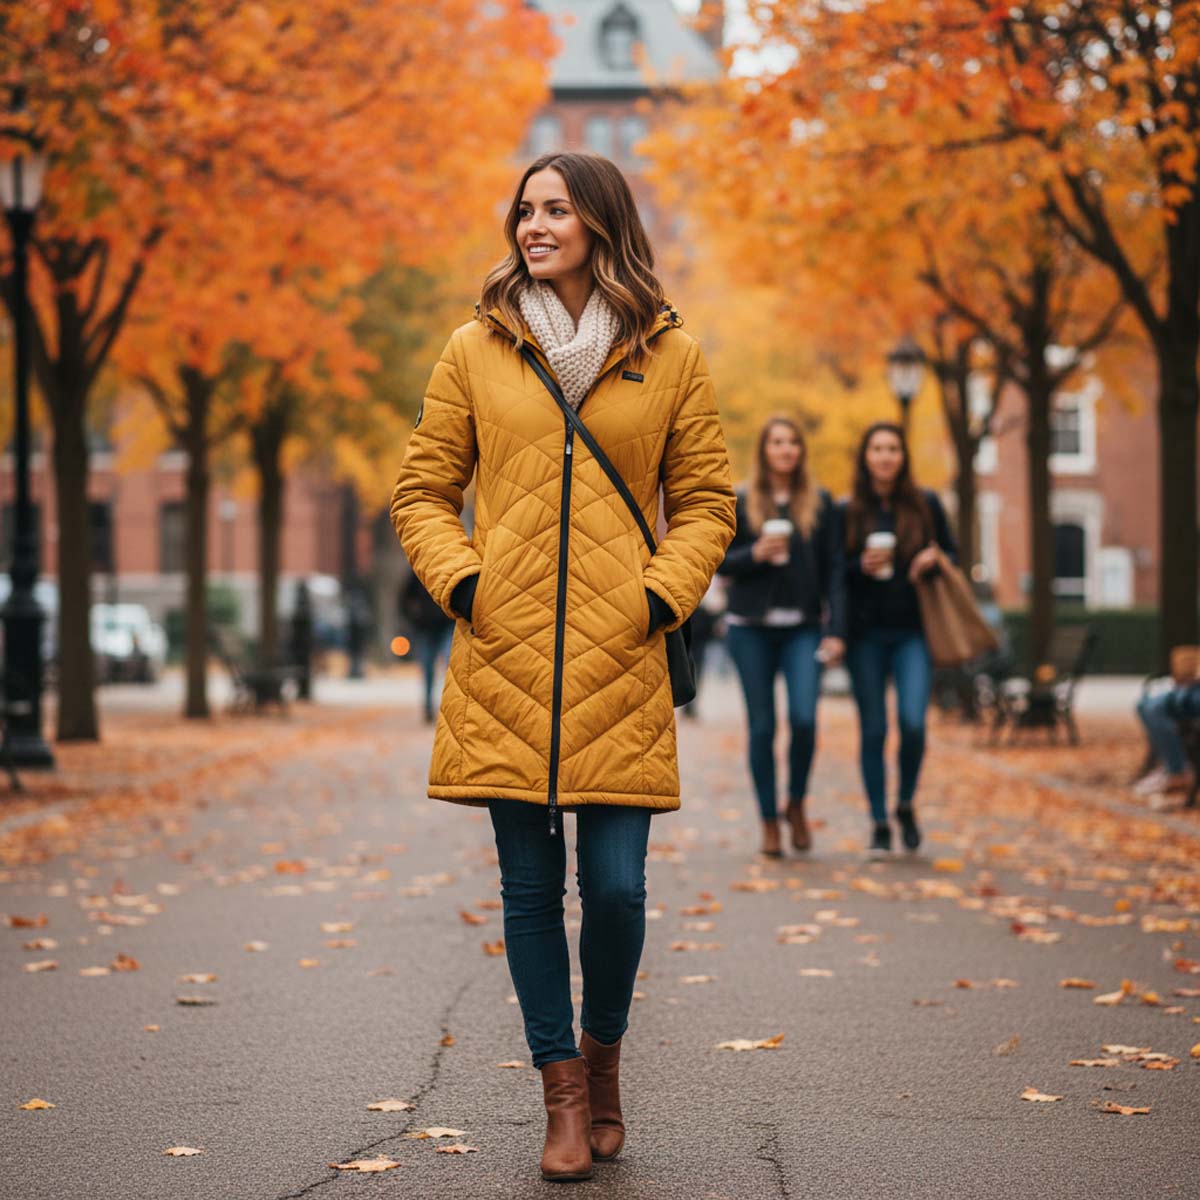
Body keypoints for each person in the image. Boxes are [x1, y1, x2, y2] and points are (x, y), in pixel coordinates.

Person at [389, 151, 735, 1183]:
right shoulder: (473, 348)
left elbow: (709, 500)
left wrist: (658, 595)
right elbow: (420, 491)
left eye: (555, 209)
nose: (534, 225)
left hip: (619, 659)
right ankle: (563, 1095)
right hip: (504, 657)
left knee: (618, 891)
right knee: (531, 894)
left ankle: (606, 1053)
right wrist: (467, 585)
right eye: (525, 210)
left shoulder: (669, 356)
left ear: (600, 222)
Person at [717, 416, 845, 856]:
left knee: (805, 720)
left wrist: (837, 630)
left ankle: (796, 804)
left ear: (801, 452)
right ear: (764, 450)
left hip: (803, 630)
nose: (786, 449)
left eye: (793, 442)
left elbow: (835, 572)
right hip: (749, 630)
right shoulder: (741, 499)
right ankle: (769, 821)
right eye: (777, 442)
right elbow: (718, 561)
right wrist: (755, 553)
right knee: (762, 727)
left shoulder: (820, 503)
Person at [841, 421, 957, 856]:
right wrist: (860, 568)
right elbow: (837, 573)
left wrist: (934, 557)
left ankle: (905, 801)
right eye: (877, 449)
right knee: (873, 729)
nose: (886, 456)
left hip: (913, 633)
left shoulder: (926, 505)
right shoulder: (847, 508)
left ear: (903, 456)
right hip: (865, 636)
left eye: (893, 448)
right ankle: (878, 820)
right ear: (865, 457)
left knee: (912, 723)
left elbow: (954, 554)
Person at [400, 569, 453, 723]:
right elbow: (404, 600)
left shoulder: (451, 561)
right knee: (428, 668)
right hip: (426, 629)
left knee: (451, 665)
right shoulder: (417, 573)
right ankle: (428, 706)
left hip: (447, 626)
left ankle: (450, 705)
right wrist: (415, 620)